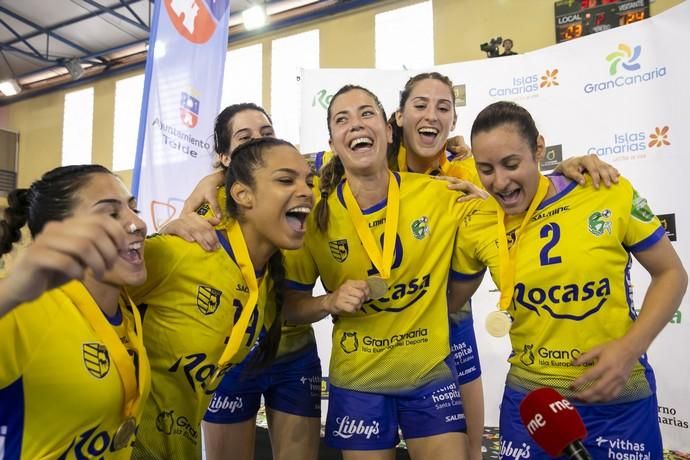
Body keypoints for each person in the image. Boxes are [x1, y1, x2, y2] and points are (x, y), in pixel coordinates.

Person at [387, 71, 620, 459]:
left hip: (448, 318)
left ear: (453, 121)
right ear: (398, 116)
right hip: (385, 323)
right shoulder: (375, 166)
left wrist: (564, 168)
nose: (431, 114)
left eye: (443, 107)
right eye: (420, 105)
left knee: (466, 450)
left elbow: (522, 191)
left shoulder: (466, 172)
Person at [449, 101, 687, 458]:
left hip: (618, 399)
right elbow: (448, 302)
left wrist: (629, 349)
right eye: (485, 169)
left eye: (511, 164)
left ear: (539, 149)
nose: (500, 181)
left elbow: (671, 273)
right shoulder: (478, 221)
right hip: (531, 403)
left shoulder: (605, 190)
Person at [281, 84, 485, 460]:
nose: (356, 124)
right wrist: (329, 301)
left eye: (366, 113)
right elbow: (290, 306)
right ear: (332, 142)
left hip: (428, 376)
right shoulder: (315, 216)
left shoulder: (438, 194)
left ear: (390, 131)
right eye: (342, 119)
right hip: (359, 382)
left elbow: (510, 218)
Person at [129, 137, 314, 460]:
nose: (306, 191)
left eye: (308, 181)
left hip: (179, 449)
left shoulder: (268, 287)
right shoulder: (181, 250)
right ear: (242, 194)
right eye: (286, 180)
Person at [0, 165, 150, 458]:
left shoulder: (125, 309)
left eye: (135, 209)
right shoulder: (27, 309)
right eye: (110, 214)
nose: (137, 224)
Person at [199, 104, 322, 460]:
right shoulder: (208, 210)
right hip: (233, 356)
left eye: (266, 134)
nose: (258, 143)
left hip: (294, 354)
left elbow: (353, 149)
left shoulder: (301, 188)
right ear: (224, 157)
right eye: (245, 137)